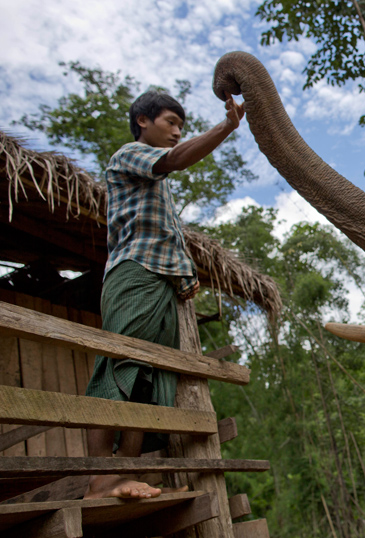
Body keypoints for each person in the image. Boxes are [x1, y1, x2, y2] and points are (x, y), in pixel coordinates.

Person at [83, 89, 244, 499]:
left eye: (180, 127)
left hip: (160, 282)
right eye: (170, 122)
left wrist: (185, 278)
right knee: (120, 360)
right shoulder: (129, 154)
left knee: (149, 374)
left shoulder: (160, 192)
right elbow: (174, 159)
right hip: (134, 273)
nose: (176, 132)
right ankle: (102, 477)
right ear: (143, 121)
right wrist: (227, 126)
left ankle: (127, 469)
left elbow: (168, 237)